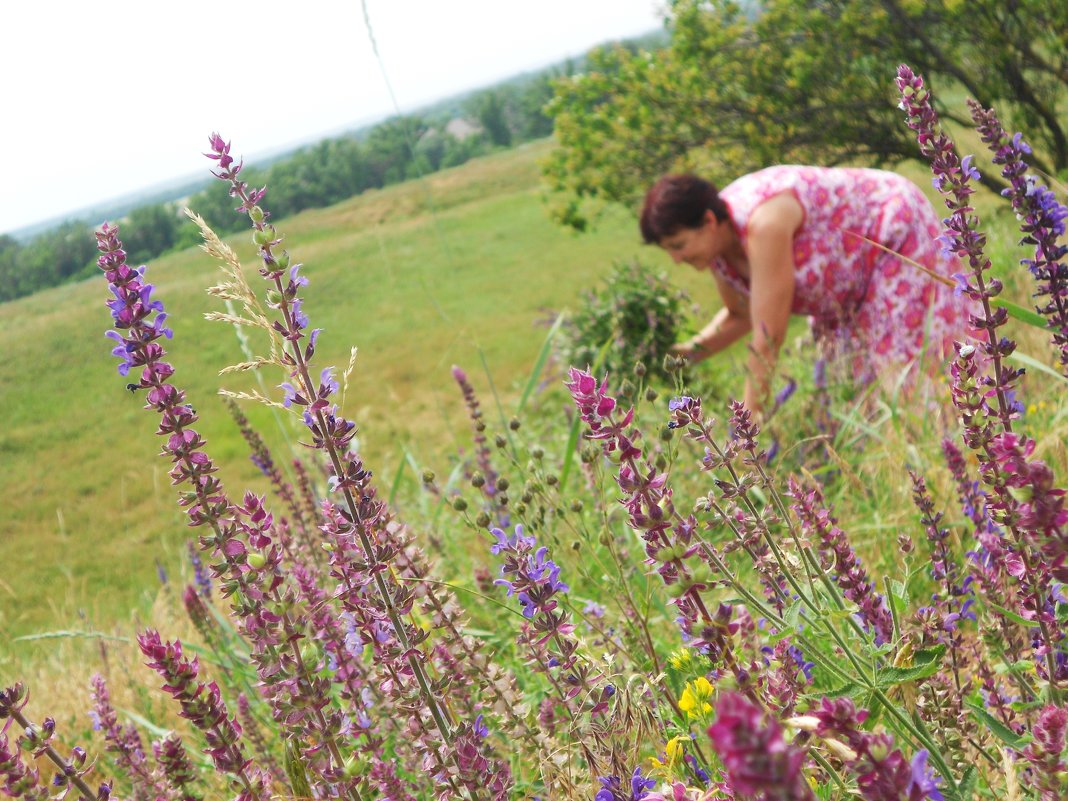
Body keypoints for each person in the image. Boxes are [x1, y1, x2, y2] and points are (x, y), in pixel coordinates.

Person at [639, 166, 970, 414]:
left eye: (679, 245)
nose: (677, 259)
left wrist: (746, 435)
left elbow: (768, 337)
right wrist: (678, 356)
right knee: (852, 398)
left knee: (906, 381)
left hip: (892, 234)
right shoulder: (717, 250)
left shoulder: (763, 224)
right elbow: (740, 314)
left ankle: (959, 449)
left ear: (709, 221)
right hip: (847, 288)